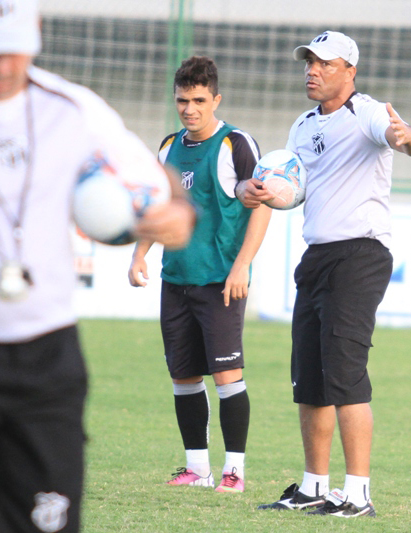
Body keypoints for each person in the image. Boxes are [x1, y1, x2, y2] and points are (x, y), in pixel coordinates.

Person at [0, 1, 197, 532]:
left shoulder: (74, 109)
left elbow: (154, 181)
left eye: (13, 49)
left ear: (38, 33)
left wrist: (177, 215)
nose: (1, 67)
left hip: (46, 362)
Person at [237, 31, 411, 517]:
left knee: (345, 376)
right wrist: (259, 190)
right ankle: (313, 486)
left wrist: (407, 137)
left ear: (350, 71)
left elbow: (406, 139)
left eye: (324, 63)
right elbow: (291, 186)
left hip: (360, 255)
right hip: (317, 256)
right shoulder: (301, 125)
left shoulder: (367, 111)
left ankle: (358, 494)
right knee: (311, 380)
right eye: (308, 62)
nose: (312, 70)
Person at [128, 56, 271, 493]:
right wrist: (140, 254)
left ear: (215, 99)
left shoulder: (236, 144)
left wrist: (242, 265)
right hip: (177, 280)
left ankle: (234, 472)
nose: (189, 109)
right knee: (184, 377)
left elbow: (262, 204)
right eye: (182, 101)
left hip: (221, 281)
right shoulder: (169, 147)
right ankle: (197, 469)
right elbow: (159, 206)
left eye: (198, 100)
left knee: (228, 377)